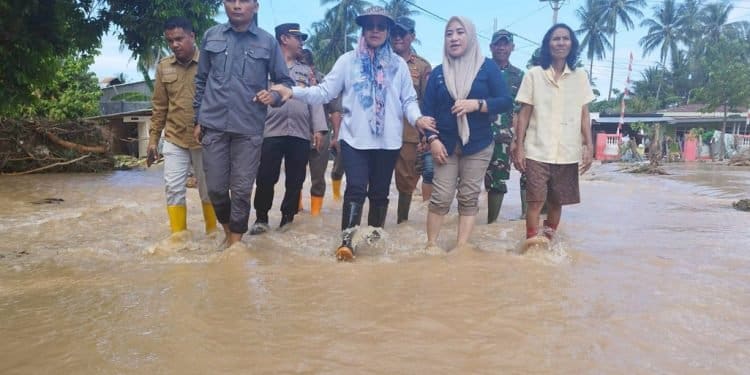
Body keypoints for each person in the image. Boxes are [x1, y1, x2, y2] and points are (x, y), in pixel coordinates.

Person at [271, 6, 436, 261]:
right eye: (369, 26)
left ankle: (373, 240)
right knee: (356, 189)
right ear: (363, 29)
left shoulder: (399, 66)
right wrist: (293, 91)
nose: (375, 30)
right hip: (354, 139)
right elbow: (325, 92)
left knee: (380, 192)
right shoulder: (348, 61)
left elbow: (408, 101)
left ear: (388, 31)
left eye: (380, 26)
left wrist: (419, 118)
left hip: (389, 141)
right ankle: (346, 243)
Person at [193, 0, 294, 247]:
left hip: (249, 128)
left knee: (241, 191)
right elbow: (200, 81)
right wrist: (197, 119)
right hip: (214, 124)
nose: (237, 6)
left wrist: (273, 96)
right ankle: (229, 232)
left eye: (244, 1)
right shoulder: (211, 36)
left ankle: (235, 244)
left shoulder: (267, 41)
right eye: (231, 0)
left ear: (255, 7)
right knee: (215, 189)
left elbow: (285, 83)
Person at [422, 16, 512, 250]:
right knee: (441, 197)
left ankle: (461, 248)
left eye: (460, 32)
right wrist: (432, 140)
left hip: (479, 144)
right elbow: (427, 110)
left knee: (468, 197)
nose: (454, 38)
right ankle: (431, 246)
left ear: (470, 36)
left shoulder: (488, 67)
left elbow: (505, 101)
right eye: (449, 33)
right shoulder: (439, 72)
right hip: (445, 145)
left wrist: (478, 104)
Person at [512, 23, 595, 250]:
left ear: (572, 44)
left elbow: (584, 115)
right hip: (537, 149)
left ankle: (547, 242)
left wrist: (589, 145)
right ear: (548, 45)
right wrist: (519, 147)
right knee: (535, 202)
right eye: (556, 39)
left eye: (565, 39)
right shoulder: (534, 75)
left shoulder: (580, 77)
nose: (560, 43)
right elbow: (524, 114)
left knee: (557, 202)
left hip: (567, 151)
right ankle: (531, 244)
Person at [248, 24, 327, 235]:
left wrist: (318, 129)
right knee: (265, 176)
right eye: (298, 38)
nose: (302, 43)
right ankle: (261, 219)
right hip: (270, 131)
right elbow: (251, 96)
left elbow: (315, 100)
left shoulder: (307, 71)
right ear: (284, 39)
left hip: (300, 133)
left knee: (296, 178)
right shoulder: (264, 68)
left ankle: (287, 220)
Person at [148, 17, 217, 236]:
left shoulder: (211, 64)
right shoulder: (164, 67)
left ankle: (213, 235)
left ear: (192, 37)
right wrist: (152, 140)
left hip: (205, 138)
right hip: (174, 139)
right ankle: (178, 239)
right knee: (173, 188)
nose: (174, 44)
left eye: (179, 39)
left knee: (209, 191)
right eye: (170, 41)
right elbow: (159, 106)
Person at [390, 16, 432, 224]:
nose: (397, 37)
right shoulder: (379, 59)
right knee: (375, 179)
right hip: (380, 132)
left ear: (412, 37)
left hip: (409, 134)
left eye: (403, 34)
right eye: (394, 33)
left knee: (406, 182)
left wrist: (426, 136)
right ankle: (375, 224)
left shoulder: (422, 67)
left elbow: (427, 102)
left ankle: (401, 223)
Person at [485, 29, 524, 224]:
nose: (501, 47)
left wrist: (516, 140)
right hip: (478, 134)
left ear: (512, 47)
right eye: (497, 44)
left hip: (503, 138)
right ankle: (466, 227)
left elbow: (518, 110)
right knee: (468, 181)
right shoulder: (480, 68)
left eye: (505, 44)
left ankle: (490, 226)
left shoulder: (518, 75)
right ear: (491, 47)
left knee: (498, 181)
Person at [298, 48, 344, 214]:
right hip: (298, 133)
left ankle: (315, 214)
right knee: (295, 175)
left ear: (312, 65)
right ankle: (297, 209)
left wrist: (337, 136)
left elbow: (335, 111)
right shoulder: (289, 78)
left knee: (318, 177)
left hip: (321, 133)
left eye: (304, 65)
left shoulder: (325, 82)